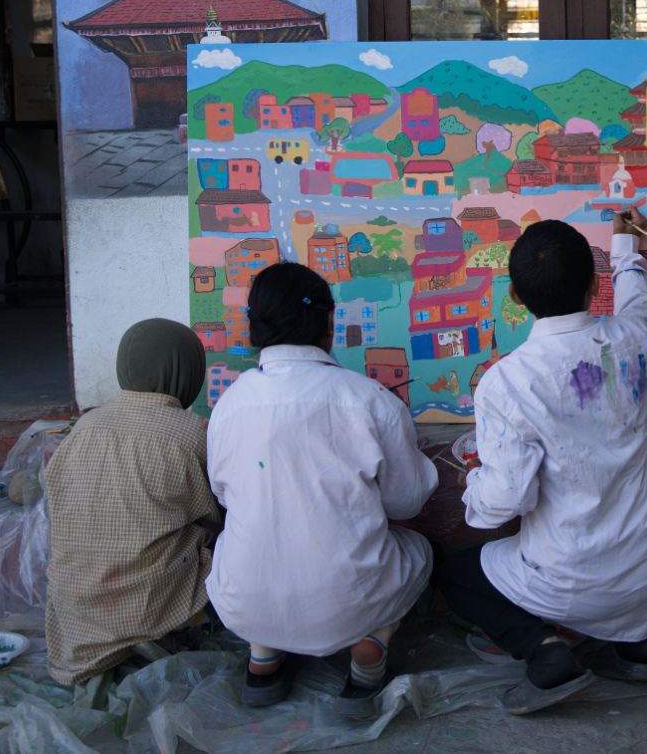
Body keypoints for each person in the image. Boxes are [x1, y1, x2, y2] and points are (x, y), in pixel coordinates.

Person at [440, 210, 647, 715]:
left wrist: (473, 481)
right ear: (595, 286)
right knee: (591, 572)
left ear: (514, 296)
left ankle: (545, 651)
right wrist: (625, 249)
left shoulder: (507, 382)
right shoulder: (633, 338)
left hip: (574, 572)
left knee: (453, 573)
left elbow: (503, 502)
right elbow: (637, 297)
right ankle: (632, 642)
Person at [206, 263, 439, 720]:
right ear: (329, 323)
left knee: (261, 543)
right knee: (419, 551)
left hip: (245, 604)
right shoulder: (369, 399)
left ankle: (263, 655)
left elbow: (226, 495)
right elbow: (407, 501)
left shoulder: (229, 405)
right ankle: (370, 648)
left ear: (255, 325)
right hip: (348, 604)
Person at [44, 318, 221, 687]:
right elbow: (220, 514)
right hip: (148, 611)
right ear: (189, 372)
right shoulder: (194, 434)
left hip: (74, 612)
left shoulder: (84, 427)